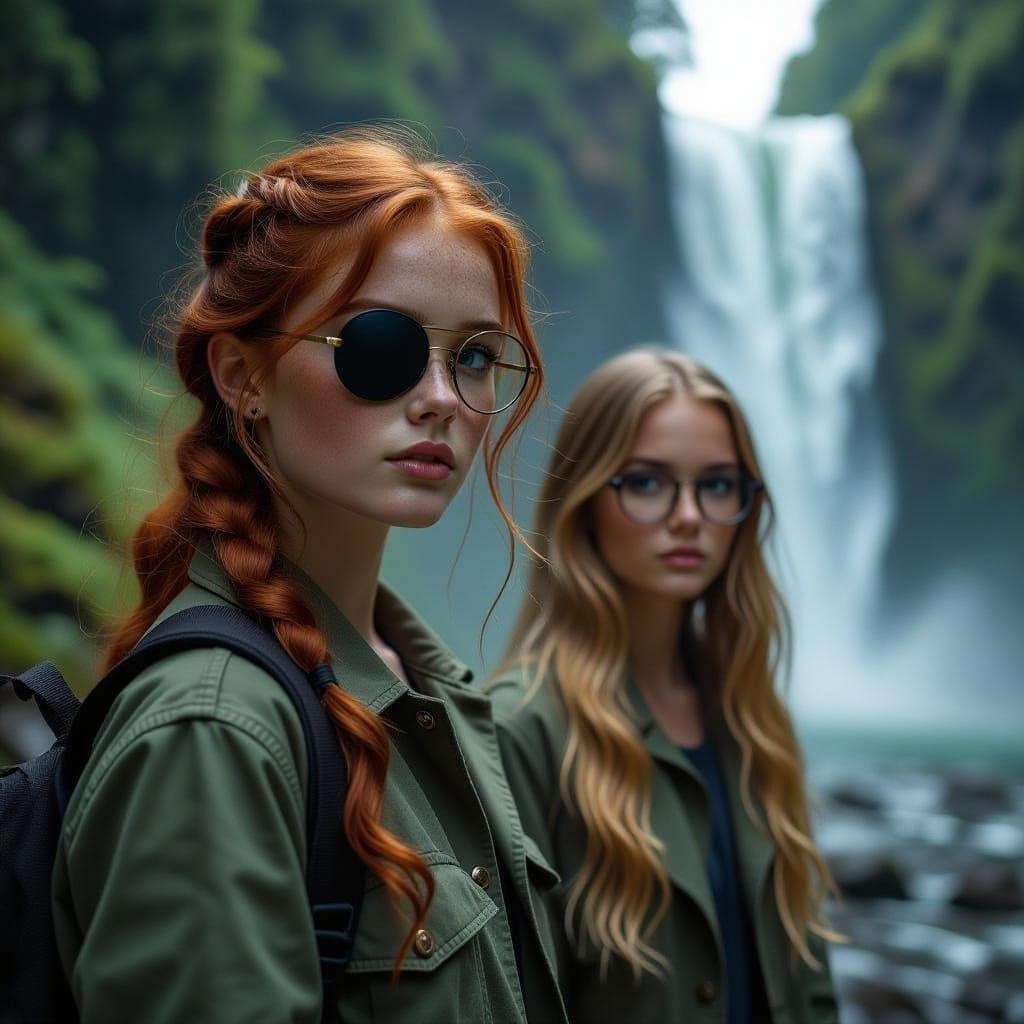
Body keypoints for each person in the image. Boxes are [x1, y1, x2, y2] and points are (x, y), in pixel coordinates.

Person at [50, 128, 567, 1024]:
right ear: (244, 377)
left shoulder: (423, 689)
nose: (443, 396)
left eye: (476, 355)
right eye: (381, 347)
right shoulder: (214, 729)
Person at [489, 348, 841, 1023]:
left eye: (716, 486)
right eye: (648, 483)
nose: (688, 516)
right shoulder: (522, 729)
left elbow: (810, 976)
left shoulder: (753, 720)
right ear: (585, 499)